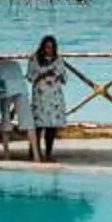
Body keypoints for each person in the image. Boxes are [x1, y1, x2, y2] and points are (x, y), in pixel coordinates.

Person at [27, 34, 69, 162]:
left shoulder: (58, 59)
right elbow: (30, 76)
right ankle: (34, 151)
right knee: (38, 125)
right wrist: (42, 74)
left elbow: (64, 77)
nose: (48, 50)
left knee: (52, 127)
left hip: (54, 97)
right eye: (46, 47)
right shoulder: (34, 58)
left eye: (51, 47)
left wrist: (56, 75)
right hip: (40, 96)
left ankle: (49, 153)